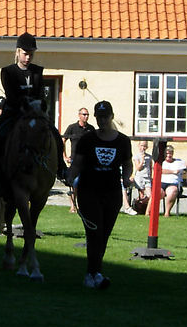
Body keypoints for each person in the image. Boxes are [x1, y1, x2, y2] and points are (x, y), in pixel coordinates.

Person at [0, 33, 67, 176]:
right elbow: (12, 95)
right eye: (25, 54)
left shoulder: (38, 71)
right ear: (18, 51)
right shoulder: (8, 71)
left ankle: (61, 167)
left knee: (54, 133)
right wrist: (28, 104)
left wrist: (39, 106)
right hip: (13, 111)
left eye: (31, 55)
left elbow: (39, 93)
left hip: (35, 112)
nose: (28, 58)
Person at [68, 100, 132, 290]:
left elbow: (127, 163)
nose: (102, 120)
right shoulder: (88, 140)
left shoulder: (122, 141)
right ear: (95, 118)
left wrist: (127, 177)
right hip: (89, 191)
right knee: (94, 232)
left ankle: (95, 272)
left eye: (106, 117)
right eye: (99, 117)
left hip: (112, 192)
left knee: (104, 235)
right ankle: (92, 274)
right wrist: (71, 176)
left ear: (112, 116)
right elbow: (77, 163)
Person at [62, 107, 93, 213]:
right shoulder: (72, 128)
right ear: (79, 115)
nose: (86, 116)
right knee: (74, 183)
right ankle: (72, 205)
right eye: (84, 114)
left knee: (84, 184)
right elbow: (63, 140)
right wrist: (65, 156)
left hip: (87, 162)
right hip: (75, 161)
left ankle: (81, 205)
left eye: (87, 114)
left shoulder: (91, 129)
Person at [148, 144, 186, 217]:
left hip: (174, 183)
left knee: (172, 192)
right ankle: (148, 212)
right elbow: (159, 170)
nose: (169, 155)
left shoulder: (179, 161)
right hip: (161, 183)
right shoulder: (160, 162)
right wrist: (173, 171)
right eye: (167, 153)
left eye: (170, 153)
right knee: (157, 192)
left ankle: (167, 213)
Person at [123, 140, 152, 215]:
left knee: (150, 195)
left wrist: (151, 177)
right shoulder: (136, 156)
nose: (143, 148)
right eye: (142, 146)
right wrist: (142, 161)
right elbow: (138, 168)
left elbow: (150, 167)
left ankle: (137, 203)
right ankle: (140, 209)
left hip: (147, 177)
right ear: (139, 146)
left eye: (145, 146)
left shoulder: (149, 157)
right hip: (139, 177)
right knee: (141, 195)